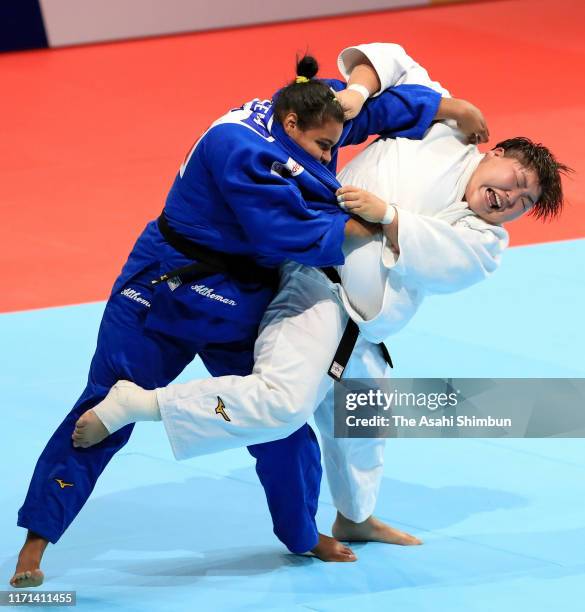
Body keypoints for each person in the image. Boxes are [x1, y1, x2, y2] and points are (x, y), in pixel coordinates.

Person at [72, 42, 571, 553]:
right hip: (314, 293)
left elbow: (447, 264)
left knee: (362, 428)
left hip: (366, 332)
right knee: (284, 406)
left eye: (524, 203)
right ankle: (143, 404)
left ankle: (355, 517)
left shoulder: (488, 240)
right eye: (518, 181)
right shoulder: (438, 132)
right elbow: (391, 60)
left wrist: (389, 215)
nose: (512, 199)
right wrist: (361, 92)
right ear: (499, 152)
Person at [11, 47, 474, 588]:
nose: (331, 155)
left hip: (244, 294)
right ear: (292, 123)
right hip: (167, 287)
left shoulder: (307, 108)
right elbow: (291, 234)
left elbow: (371, 112)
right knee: (100, 410)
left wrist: (446, 109)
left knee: (280, 417)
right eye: (325, 146)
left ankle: (301, 535)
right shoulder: (239, 148)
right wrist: (400, 226)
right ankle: (35, 545)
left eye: (333, 144)